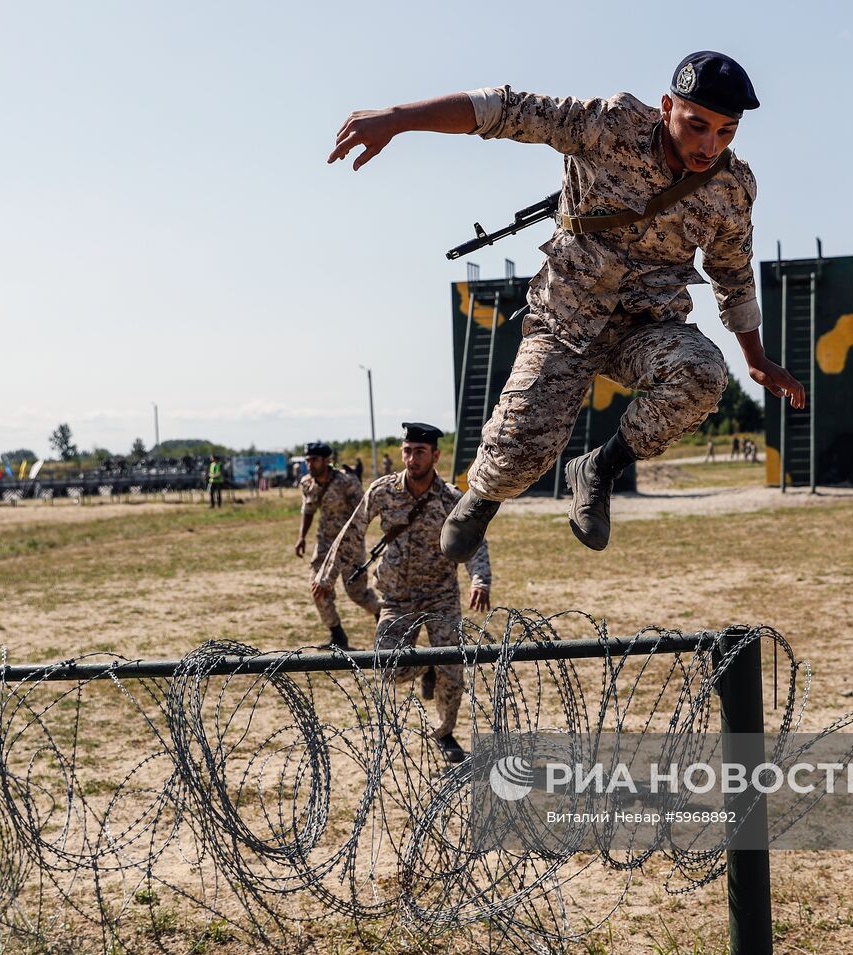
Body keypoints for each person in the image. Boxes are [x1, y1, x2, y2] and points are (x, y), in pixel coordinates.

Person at [330, 52, 805, 560]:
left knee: (704, 375)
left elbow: (731, 273)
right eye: (697, 126)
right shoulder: (608, 126)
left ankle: (598, 469)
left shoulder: (731, 188)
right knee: (520, 454)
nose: (709, 145)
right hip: (567, 318)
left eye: (726, 131)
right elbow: (506, 109)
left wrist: (756, 360)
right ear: (667, 106)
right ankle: (483, 498)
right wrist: (400, 119)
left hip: (646, 327)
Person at [314, 423, 491, 763]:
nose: (412, 459)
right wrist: (327, 575)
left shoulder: (451, 498)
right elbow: (352, 531)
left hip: (441, 595)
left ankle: (445, 732)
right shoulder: (383, 491)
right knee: (388, 668)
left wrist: (479, 580)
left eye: (420, 452)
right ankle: (424, 666)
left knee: (452, 671)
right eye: (407, 451)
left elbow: (475, 542)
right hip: (396, 597)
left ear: (435, 456)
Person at [297, 442, 379, 648]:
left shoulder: (346, 482)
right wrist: (301, 538)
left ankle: (383, 616)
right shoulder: (307, 483)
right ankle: (337, 635)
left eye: (314, 460)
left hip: (350, 544)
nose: (310, 464)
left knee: (356, 592)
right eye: (307, 460)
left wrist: (357, 538)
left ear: (326, 461)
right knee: (318, 587)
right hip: (324, 543)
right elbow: (308, 511)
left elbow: (363, 511)